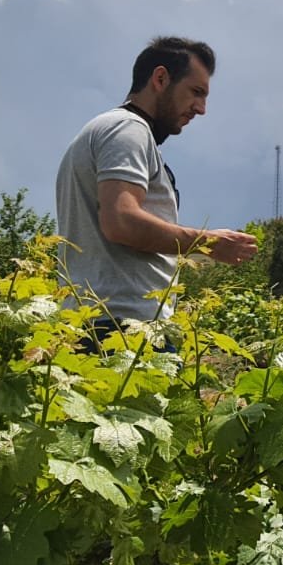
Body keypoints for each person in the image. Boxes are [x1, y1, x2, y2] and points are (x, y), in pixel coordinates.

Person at [55, 36, 257, 339]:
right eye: (196, 92)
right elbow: (121, 222)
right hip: (122, 327)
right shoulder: (128, 130)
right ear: (161, 78)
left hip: (93, 324)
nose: (201, 109)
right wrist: (208, 243)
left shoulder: (108, 130)